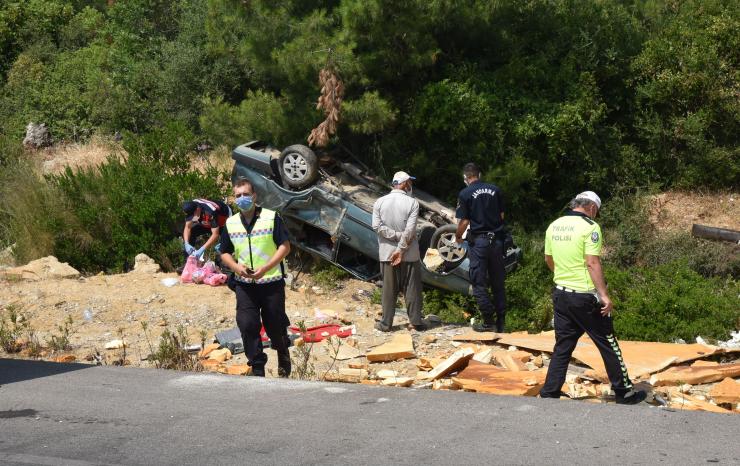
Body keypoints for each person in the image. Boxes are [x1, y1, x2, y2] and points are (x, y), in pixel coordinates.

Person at [540, 191, 646, 404]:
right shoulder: (590, 227)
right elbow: (592, 263)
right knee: (608, 342)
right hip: (585, 296)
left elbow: (548, 259)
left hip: (561, 293)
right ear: (592, 208)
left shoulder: (554, 225)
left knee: (563, 344)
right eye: (596, 211)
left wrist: (563, 276)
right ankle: (624, 392)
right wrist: (604, 295)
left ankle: (550, 391)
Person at [219, 179, 292, 377]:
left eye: (245, 194)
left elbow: (285, 246)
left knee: (275, 324)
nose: (242, 198)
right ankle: (257, 365)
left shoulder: (271, 218)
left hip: (271, 282)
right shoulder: (231, 223)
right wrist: (236, 267)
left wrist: (266, 267)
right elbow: (224, 252)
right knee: (247, 323)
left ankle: (283, 352)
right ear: (234, 199)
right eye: (238, 195)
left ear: (254, 196)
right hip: (245, 284)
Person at [372, 171, 428, 332]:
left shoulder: (379, 202)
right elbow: (410, 231)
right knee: (412, 288)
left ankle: (386, 324)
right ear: (404, 184)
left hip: (387, 253)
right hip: (409, 254)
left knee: (389, 290)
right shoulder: (412, 203)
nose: (411, 185)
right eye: (410, 182)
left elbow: (376, 227)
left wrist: (394, 239)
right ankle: (416, 322)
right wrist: (401, 248)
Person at [455, 162, 507, 332]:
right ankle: (501, 324)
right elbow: (501, 215)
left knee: (478, 283)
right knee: (498, 283)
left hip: (479, 242)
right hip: (497, 242)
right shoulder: (496, 190)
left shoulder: (465, 193)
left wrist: (458, 236)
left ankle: (488, 321)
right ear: (479, 175)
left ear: (466, 177)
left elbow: (464, 221)